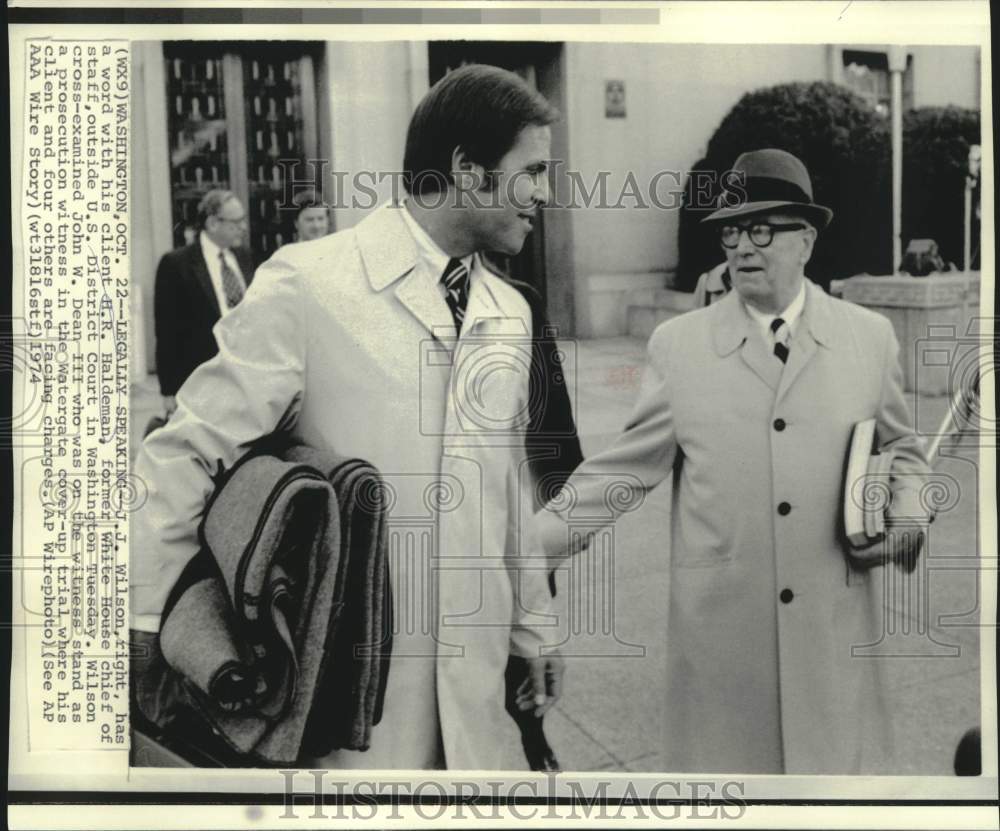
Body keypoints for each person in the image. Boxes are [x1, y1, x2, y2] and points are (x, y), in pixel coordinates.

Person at [131, 64, 566, 770]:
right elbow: (186, 451)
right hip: (346, 714)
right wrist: (147, 626)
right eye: (534, 170)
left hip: (476, 702)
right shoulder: (309, 285)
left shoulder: (509, 312)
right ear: (467, 169)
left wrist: (533, 629)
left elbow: (507, 487)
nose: (546, 193)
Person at [536, 148, 932, 774]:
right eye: (731, 231)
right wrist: (526, 547)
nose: (743, 246)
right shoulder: (681, 346)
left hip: (831, 632)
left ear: (805, 239)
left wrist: (907, 519)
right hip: (723, 638)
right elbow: (622, 471)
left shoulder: (868, 338)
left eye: (762, 229)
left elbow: (903, 449)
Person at [153, 190, 254, 413]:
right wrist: (169, 390)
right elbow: (167, 331)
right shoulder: (177, 264)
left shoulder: (244, 257)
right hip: (200, 381)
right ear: (213, 223)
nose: (244, 227)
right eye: (236, 222)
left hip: (245, 376)